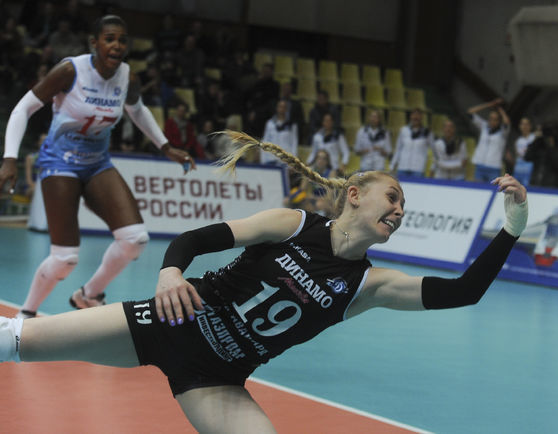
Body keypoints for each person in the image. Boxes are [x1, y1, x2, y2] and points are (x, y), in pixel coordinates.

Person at [0, 130, 528, 432]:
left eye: (404, 207)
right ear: (354, 195)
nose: (400, 210)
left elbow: (464, 292)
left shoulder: (369, 286)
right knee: (22, 340)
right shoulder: (293, 224)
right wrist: (169, 274)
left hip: (217, 379)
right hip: (167, 322)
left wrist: (512, 226)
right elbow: (195, 239)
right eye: (392, 197)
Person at [0, 15, 195, 319]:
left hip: (97, 163)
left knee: (134, 240)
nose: (116, 45)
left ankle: (89, 294)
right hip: (59, 162)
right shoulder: (70, 70)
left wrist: (166, 147)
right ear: (95, 43)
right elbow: (23, 108)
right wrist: (10, 159)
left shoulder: (128, 77)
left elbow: (137, 110)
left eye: (122, 40)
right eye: (109, 39)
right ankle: (26, 314)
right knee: (65, 259)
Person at [467, 97, 510, 183]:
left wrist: (499, 108)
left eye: (495, 120)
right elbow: (470, 112)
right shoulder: (484, 126)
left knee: (493, 189)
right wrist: (489, 104)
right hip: (480, 165)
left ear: (499, 121)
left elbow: (507, 122)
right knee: (478, 188)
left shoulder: (503, 132)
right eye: (490, 119)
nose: (492, 121)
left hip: (494, 167)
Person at [525, 119, 558, 188]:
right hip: (535, 183)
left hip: (553, 185)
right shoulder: (538, 143)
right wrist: (536, 139)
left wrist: (551, 146)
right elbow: (527, 157)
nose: (548, 133)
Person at [391, 108, 432, 178]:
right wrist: (392, 165)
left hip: (418, 169)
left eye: (418, 115)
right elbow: (398, 149)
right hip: (402, 167)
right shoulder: (404, 130)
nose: (416, 117)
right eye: (414, 115)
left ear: (421, 117)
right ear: (410, 116)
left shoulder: (427, 133)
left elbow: (433, 151)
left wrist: (431, 168)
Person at [261, 100, 298, 166]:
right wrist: (263, 160)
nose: (282, 109)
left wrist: (293, 161)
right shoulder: (270, 123)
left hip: (285, 159)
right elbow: (265, 141)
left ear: (287, 109)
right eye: (280, 107)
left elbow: (294, 143)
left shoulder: (292, 125)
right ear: (277, 108)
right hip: (271, 159)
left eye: (284, 107)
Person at [508, 116, 536, 186]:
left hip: (529, 171)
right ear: (519, 126)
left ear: (530, 126)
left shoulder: (534, 138)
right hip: (518, 171)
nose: (524, 126)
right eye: (522, 124)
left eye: (526, 124)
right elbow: (517, 156)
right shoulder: (518, 141)